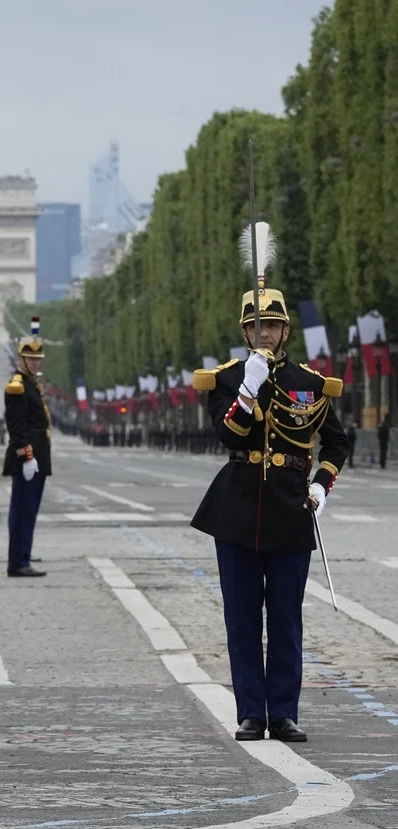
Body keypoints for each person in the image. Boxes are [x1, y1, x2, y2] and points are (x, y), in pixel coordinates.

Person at [191, 222, 348, 744]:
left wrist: (322, 487)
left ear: (285, 331)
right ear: (245, 331)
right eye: (256, 325)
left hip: (288, 506)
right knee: (240, 619)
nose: (265, 333)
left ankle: (283, 711)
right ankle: (250, 713)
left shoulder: (309, 383)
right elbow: (227, 433)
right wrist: (250, 385)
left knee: (285, 620)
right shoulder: (227, 379)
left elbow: (338, 442)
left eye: (273, 326)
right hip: (236, 507)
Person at [3, 318, 51, 578]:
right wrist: (28, 457)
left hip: (35, 458)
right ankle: (18, 562)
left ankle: (23, 553)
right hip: (28, 459)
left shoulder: (29, 383)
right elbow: (17, 428)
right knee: (23, 511)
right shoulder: (17, 386)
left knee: (27, 511)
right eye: (31, 360)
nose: (36, 363)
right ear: (20, 360)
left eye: (38, 359)